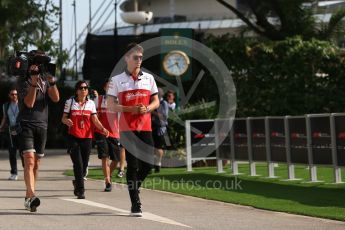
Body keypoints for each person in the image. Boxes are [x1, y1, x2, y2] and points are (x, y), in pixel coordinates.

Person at [107, 43, 159, 217]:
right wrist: (131, 109)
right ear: (127, 58)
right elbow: (111, 105)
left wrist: (148, 108)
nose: (139, 60)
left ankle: (135, 188)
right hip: (127, 129)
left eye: (141, 57)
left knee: (149, 164)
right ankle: (135, 203)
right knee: (133, 166)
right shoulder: (116, 80)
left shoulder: (149, 78)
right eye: (135, 57)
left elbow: (156, 101)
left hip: (145, 127)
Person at [16, 50, 60, 212]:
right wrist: (34, 82)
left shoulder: (45, 80)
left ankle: (28, 197)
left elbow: (56, 99)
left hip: (42, 125)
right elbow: (29, 103)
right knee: (29, 161)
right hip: (26, 124)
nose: (39, 67)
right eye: (36, 64)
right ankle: (32, 194)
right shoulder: (23, 81)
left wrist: (52, 82)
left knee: (37, 164)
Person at [61, 80, 109, 199]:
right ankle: (81, 191)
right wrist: (67, 121)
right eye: (81, 88)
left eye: (86, 88)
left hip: (87, 138)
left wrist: (103, 129)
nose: (84, 90)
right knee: (78, 164)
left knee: (84, 165)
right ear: (77, 90)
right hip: (73, 137)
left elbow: (95, 120)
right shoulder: (70, 102)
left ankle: (78, 182)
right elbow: (63, 118)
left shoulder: (91, 103)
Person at [93, 80, 125, 192]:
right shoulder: (98, 99)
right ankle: (108, 182)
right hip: (101, 132)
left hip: (115, 133)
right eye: (108, 86)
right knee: (104, 157)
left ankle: (108, 175)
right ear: (105, 88)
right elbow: (93, 116)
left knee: (116, 160)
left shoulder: (118, 100)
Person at [0, 89, 20, 180]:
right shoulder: (6, 105)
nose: (14, 96)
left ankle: (27, 170)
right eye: (12, 94)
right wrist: (1, 127)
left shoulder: (22, 104)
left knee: (24, 153)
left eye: (16, 94)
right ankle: (14, 173)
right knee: (12, 153)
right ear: (9, 95)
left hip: (21, 131)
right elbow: (4, 117)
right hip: (10, 130)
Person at [151, 88, 169, 173]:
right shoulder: (152, 103)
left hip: (160, 128)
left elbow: (164, 116)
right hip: (151, 126)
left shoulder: (163, 103)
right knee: (151, 146)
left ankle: (158, 163)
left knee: (159, 146)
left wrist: (151, 111)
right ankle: (152, 164)